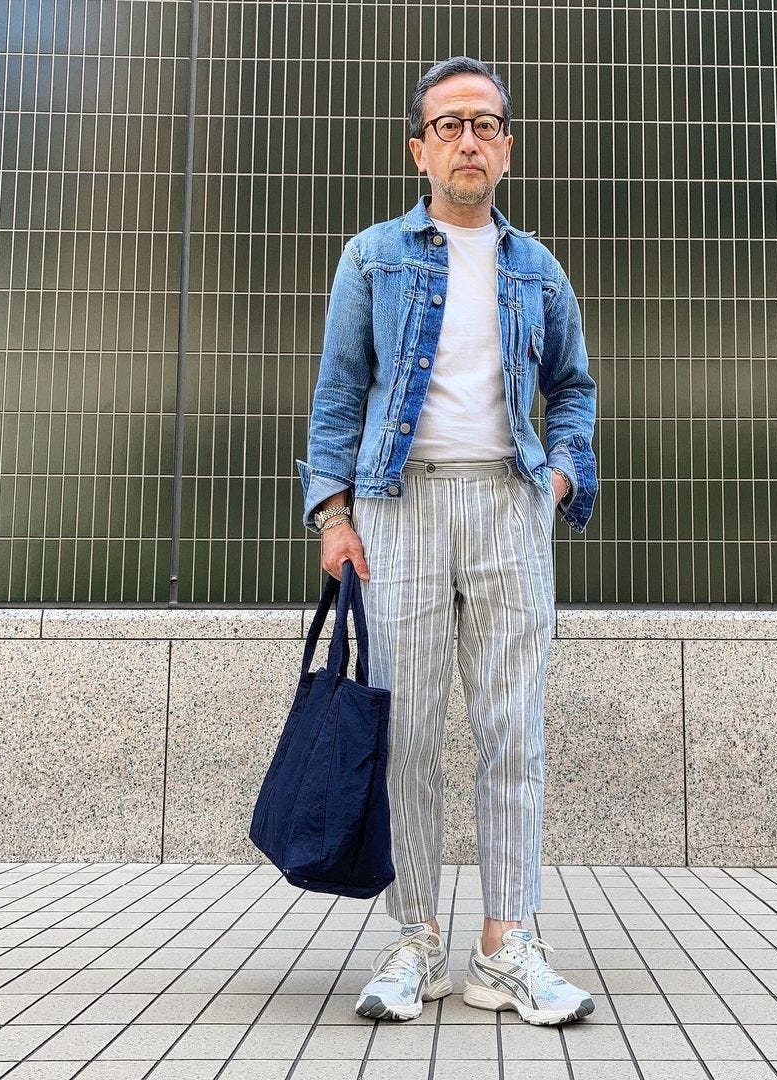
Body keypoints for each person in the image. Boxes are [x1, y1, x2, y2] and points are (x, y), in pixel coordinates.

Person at [296, 55, 598, 1026]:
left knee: (514, 732)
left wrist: (558, 477)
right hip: (401, 511)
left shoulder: (536, 266)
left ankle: (507, 948)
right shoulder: (375, 256)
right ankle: (415, 940)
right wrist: (333, 514)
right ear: (419, 147)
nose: (469, 139)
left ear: (507, 146)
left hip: (507, 509)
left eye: (487, 123)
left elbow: (575, 388)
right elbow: (340, 393)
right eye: (450, 124)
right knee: (409, 735)